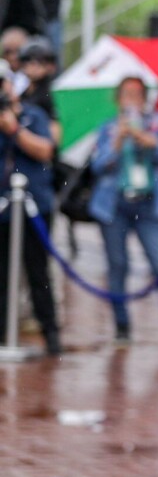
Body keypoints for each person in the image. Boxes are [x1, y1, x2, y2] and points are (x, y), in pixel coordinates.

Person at [89, 76, 158, 348]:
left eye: (137, 94)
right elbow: (98, 167)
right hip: (114, 206)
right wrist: (118, 142)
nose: (131, 99)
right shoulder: (108, 127)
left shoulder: (157, 124)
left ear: (145, 98)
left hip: (149, 204)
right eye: (126, 94)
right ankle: (121, 327)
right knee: (118, 266)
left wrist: (147, 140)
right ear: (118, 99)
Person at [0, 60, 59, 355]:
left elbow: (46, 150)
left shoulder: (33, 114)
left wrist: (14, 130)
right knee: (2, 275)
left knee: (38, 273)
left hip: (34, 207)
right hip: (3, 208)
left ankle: (51, 335)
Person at [17, 37, 61, 146]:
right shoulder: (24, 93)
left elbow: (55, 132)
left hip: (40, 144)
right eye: (28, 61)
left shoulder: (50, 93)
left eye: (39, 62)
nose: (32, 66)